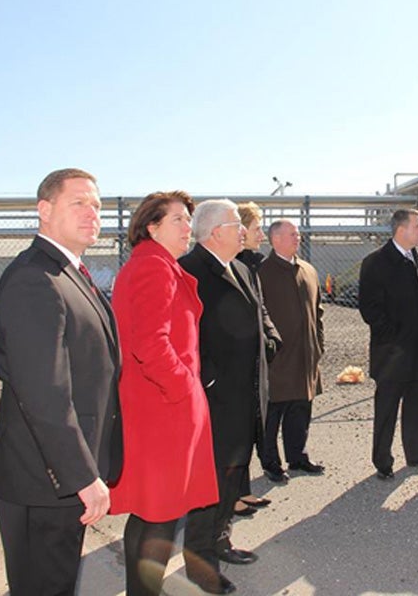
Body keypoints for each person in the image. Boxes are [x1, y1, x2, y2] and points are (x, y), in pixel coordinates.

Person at [0, 168, 122, 595]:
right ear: (44, 210)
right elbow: (45, 393)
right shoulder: (34, 278)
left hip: (56, 481)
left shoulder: (67, 272)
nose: (92, 213)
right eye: (78, 203)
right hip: (45, 482)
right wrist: (82, 476)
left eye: (96, 205)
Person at [109, 191, 226, 595]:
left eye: (188, 220)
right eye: (177, 219)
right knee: (160, 514)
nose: (187, 227)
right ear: (152, 226)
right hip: (162, 410)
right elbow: (150, 343)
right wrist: (183, 388)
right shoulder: (153, 268)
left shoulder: (155, 264)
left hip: (157, 406)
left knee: (149, 513)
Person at [179, 199, 281, 565]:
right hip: (213, 397)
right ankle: (200, 556)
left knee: (232, 472)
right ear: (215, 232)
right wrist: (207, 379)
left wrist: (270, 338)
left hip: (244, 393)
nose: (243, 231)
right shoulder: (188, 271)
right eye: (237, 224)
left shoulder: (241, 267)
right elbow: (182, 334)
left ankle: (220, 540)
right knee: (210, 478)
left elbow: (259, 310)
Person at [358, 209, 418, 480]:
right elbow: (370, 309)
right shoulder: (376, 262)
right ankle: (383, 462)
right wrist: (394, 338)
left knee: (416, 407)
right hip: (392, 355)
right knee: (386, 409)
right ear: (401, 230)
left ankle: (417, 455)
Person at [258, 220, 325, 482]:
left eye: (298, 234)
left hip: (306, 354)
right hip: (278, 357)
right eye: (292, 234)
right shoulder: (262, 273)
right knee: (273, 412)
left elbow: (318, 311)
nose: (298, 237)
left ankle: (298, 457)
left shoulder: (308, 270)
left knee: (301, 407)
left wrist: (318, 344)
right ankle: (271, 462)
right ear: (275, 239)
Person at [233, 201, 274, 513]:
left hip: (254, 356)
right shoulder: (231, 264)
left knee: (248, 428)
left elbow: (260, 308)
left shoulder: (253, 263)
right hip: (235, 362)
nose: (262, 234)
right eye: (257, 228)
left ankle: (242, 490)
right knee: (234, 432)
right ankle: (231, 496)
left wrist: (271, 337)